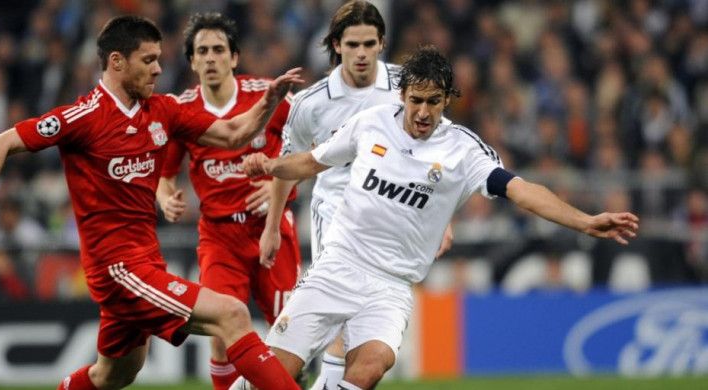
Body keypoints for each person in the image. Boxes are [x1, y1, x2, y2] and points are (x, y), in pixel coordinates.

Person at [236, 47, 639, 390]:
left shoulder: (463, 151)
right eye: (416, 100)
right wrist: (270, 167)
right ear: (402, 96)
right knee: (274, 373)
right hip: (338, 265)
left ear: (448, 100)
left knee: (374, 362)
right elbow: (310, 161)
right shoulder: (370, 125)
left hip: (391, 284)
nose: (423, 112)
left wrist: (584, 221)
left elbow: (522, 191)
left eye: (433, 101)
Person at [0, 15, 303, 390]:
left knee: (115, 374)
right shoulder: (84, 117)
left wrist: (269, 101)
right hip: (117, 269)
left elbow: (234, 133)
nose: (158, 69)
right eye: (148, 60)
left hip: (145, 261)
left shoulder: (162, 110)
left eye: (158, 59)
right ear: (117, 61)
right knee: (231, 314)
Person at [257, 2, 453, 388]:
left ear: (381, 43)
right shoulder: (311, 103)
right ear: (336, 45)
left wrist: (440, 220)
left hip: (393, 215)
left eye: (368, 43)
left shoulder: (405, 87)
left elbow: (442, 151)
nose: (361, 53)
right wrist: (272, 226)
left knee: (365, 345)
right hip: (335, 214)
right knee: (341, 324)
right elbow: (289, 164)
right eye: (352, 44)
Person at [156, 13, 301, 390]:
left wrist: (275, 188)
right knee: (222, 331)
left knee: (290, 334)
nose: (210, 58)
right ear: (191, 61)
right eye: (201, 51)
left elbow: (310, 151)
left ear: (234, 57)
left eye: (218, 49)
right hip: (219, 236)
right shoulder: (181, 110)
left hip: (271, 228)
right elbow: (164, 173)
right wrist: (165, 197)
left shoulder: (268, 95)